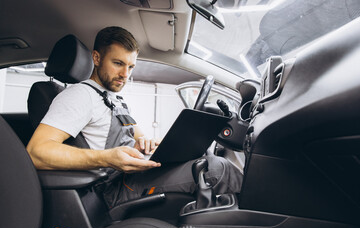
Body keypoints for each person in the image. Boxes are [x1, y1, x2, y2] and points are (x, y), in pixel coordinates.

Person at [26, 26, 242, 208]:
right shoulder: (79, 96)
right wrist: (106, 158)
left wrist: (147, 144)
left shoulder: (111, 98)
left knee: (206, 160)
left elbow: (139, 138)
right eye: (118, 63)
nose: (125, 75)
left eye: (131, 66)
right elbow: (36, 152)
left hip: (133, 175)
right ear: (97, 58)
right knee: (216, 169)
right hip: (114, 188)